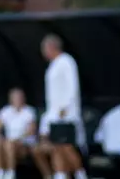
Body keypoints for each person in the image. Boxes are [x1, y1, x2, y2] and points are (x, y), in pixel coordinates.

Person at [37, 35, 85, 179]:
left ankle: (80, 174)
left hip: (66, 113)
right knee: (55, 146)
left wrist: (65, 107)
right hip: (53, 113)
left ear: (51, 47)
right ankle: (60, 174)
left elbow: (72, 86)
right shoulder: (53, 64)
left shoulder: (67, 61)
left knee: (67, 146)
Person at [0, 87, 38, 179]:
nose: (18, 99)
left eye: (20, 97)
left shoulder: (29, 111)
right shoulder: (6, 111)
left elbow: (31, 131)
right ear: (11, 99)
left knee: (9, 144)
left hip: (24, 143)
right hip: (8, 141)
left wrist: (17, 139)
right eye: (15, 97)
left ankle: (10, 173)